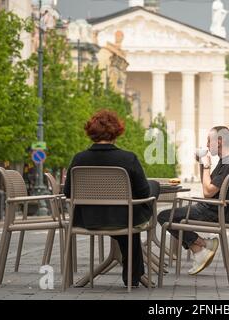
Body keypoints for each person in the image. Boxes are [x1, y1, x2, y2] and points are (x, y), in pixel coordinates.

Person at [63, 109, 160, 288]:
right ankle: (133, 274)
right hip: (124, 218)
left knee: (126, 214)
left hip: (88, 220)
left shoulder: (79, 159)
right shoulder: (128, 158)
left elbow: (68, 193)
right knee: (151, 188)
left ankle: (133, 273)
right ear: (116, 131)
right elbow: (144, 193)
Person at [157, 126, 229, 275]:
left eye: (209, 140)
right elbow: (208, 189)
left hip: (212, 211)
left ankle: (201, 247)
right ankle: (202, 247)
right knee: (174, 216)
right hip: (214, 209)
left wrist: (206, 165)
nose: (207, 145)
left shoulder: (228, 163)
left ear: (220, 141)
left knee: (164, 217)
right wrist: (203, 164)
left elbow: (208, 192)